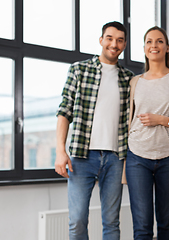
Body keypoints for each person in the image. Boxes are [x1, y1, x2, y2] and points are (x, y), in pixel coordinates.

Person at [55, 21, 134, 240]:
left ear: (124, 44)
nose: (114, 44)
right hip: (82, 156)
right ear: (101, 40)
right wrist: (60, 151)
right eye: (109, 38)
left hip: (115, 158)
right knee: (77, 219)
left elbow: (132, 121)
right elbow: (64, 112)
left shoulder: (129, 78)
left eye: (119, 40)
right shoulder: (79, 70)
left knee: (111, 221)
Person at [125, 26, 169, 240]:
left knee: (168, 224)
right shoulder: (134, 82)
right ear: (144, 48)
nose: (153, 45)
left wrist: (163, 120)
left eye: (159, 41)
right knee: (142, 227)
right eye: (149, 41)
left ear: (167, 48)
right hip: (137, 156)